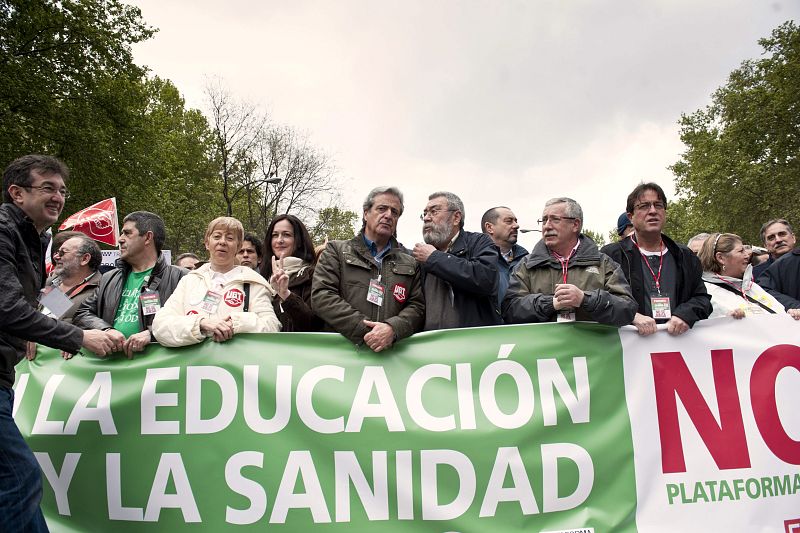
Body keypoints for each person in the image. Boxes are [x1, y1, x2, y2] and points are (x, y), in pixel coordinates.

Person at [0, 154, 115, 532]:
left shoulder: (96, 286)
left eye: (61, 190)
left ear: (85, 258)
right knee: (21, 478)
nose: (58, 197)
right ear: (17, 193)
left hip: (4, 379)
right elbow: (25, 311)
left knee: (19, 481)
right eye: (48, 188)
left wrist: (84, 333)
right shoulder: (53, 284)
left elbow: (77, 317)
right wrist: (65, 334)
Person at [312, 186, 424, 351]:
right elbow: (322, 296)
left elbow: (417, 307)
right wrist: (368, 332)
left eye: (395, 212)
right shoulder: (336, 250)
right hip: (343, 356)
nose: (388, 215)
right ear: (366, 213)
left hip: (391, 360)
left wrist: (392, 329)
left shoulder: (410, 263)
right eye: (381, 208)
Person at [503, 197, 636, 326]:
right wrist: (550, 303)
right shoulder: (526, 266)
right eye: (544, 220)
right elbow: (509, 310)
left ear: (575, 225)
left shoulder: (603, 264)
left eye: (555, 219)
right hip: (544, 348)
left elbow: (627, 309)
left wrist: (585, 299)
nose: (547, 226)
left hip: (592, 347)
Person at [601, 183, 711, 336]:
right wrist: (631, 315)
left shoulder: (684, 255)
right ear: (630, 217)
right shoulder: (611, 256)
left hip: (678, 345)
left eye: (658, 205)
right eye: (644, 206)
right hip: (631, 350)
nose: (652, 211)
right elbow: (599, 300)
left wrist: (685, 314)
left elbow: (702, 298)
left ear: (665, 212)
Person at [73, 211, 186, 358]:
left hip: (157, 367)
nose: (120, 239)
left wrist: (151, 334)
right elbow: (82, 314)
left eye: (127, 233)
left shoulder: (181, 277)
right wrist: (106, 330)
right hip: (109, 367)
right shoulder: (109, 278)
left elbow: (191, 319)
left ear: (148, 237)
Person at [153, 217, 280, 346]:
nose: (222, 242)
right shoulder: (189, 281)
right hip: (193, 364)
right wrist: (200, 324)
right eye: (217, 236)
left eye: (230, 238)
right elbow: (160, 326)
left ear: (238, 246)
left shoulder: (254, 283)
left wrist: (236, 323)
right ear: (207, 243)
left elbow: (271, 326)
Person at [413, 192, 501, 329]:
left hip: (473, 344)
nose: (426, 218)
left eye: (434, 212)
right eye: (424, 214)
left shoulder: (479, 242)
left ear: (456, 217)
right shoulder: (419, 257)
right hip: (429, 346)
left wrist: (434, 258)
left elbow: (485, 279)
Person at [697, 232, 793, 319]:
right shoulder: (706, 293)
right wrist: (727, 321)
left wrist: (791, 314)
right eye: (741, 251)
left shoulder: (751, 286)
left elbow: (780, 314)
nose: (747, 255)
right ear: (721, 258)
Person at [259, 214, 322, 332]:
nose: (279, 240)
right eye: (275, 235)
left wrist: (286, 295)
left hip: (296, 348)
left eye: (286, 235)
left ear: (298, 241)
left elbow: (314, 324)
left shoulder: (313, 275)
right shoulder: (260, 277)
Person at [481, 206, 528, 306]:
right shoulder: (476, 262)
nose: (516, 226)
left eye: (515, 221)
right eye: (509, 221)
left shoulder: (527, 260)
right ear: (489, 227)